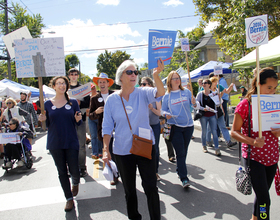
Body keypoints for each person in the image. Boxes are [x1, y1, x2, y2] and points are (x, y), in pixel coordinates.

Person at [102, 58, 164, 220]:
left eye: (135, 72)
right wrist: (105, 149)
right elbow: (107, 127)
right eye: (129, 72)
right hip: (122, 150)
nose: (134, 75)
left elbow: (160, 93)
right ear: (120, 76)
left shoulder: (143, 93)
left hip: (144, 147)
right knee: (129, 190)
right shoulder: (112, 100)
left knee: (151, 187)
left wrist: (156, 76)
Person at [231, 68, 280, 220]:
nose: (272, 91)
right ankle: (264, 218)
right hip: (254, 157)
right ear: (258, 84)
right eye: (269, 87)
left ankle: (254, 218)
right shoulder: (246, 104)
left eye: (275, 88)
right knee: (265, 199)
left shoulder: (275, 103)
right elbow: (234, 132)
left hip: (272, 156)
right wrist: (252, 141)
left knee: (262, 195)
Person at [39, 76, 82, 212]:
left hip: (71, 141)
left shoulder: (73, 102)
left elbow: (78, 122)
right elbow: (47, 125)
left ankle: (75, 182)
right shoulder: (47, 104)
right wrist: (42, 120)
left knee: (74, 169)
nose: (62, 85)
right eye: (59, 83)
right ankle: (69, 199)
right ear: (54, 86)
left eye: (64, 83)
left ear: (67, 86)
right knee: (62, 171)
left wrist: (78, 119)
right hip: (55, 142)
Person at [162, 70, 200, 188]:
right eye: (174, 78)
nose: (177, 80)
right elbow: (162, 110)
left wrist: (195, 103)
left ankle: (179, 170)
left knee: (183, 151)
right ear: (170, 81)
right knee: (180, 152)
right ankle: (184, 178)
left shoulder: (187, 92)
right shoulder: (167, 96)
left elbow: (195, 106)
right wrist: (165, 114)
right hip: (175, 127)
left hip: (188, 126)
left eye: (178, 77)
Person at [68, 68, 90, 177]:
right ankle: (71, 167)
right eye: (71, 74)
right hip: (67, 122)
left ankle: (82, 168)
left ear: (78, 76)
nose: (73, 76)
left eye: (75, 74)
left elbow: (88, 103)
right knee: (69, 146)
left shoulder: (83, 89)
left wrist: (79, 102)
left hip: (81, 119)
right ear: (69, 76)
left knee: (81, 145)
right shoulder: (64, 88)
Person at [206, 77, 237, 148]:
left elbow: (219, 101)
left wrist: (222, 109)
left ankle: (228, 141)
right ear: (211, 83)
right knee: (210, 128)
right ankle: (208, 141)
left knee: (223, 126)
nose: (216, 84)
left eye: (217, 82)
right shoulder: (208, 91)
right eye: (215, 82)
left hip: (218, 110)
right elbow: (212, 100)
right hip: (211, 111)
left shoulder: (217, 89)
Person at [141, 76, 162, 181]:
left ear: (150, 85)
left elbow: (160, 112)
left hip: (154, 126)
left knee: (155, 149)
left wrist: (151, 108)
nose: (142, 86)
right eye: (141, 84)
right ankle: (146, 172)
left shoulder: (155, 96)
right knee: (144, 149)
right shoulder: (140, 96)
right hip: (144, 127)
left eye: (144, 84)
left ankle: (155, 172)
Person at [89, 73, 114, 159]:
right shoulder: (94, 98)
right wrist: (96, 112)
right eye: (100, 82)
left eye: (104, 82)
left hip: (117, 129)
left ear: (108, 83)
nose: (102, 84)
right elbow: (91, 116)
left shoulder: (115, 95)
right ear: (98, 84)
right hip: (103, 131)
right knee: (107, 155)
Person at [196, 79, 221, 156]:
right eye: (203, 83)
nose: (203, 84)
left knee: (214, 131)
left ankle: (217, 148)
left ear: (209, 85)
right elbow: (197, 106)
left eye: (205, 83)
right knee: (204, 131)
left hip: (212, 115)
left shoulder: (213, 94)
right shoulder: (200, 94)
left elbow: (218, 104)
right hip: (204, 116)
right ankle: (204, 146)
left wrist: (219, 98)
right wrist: (204, 109)